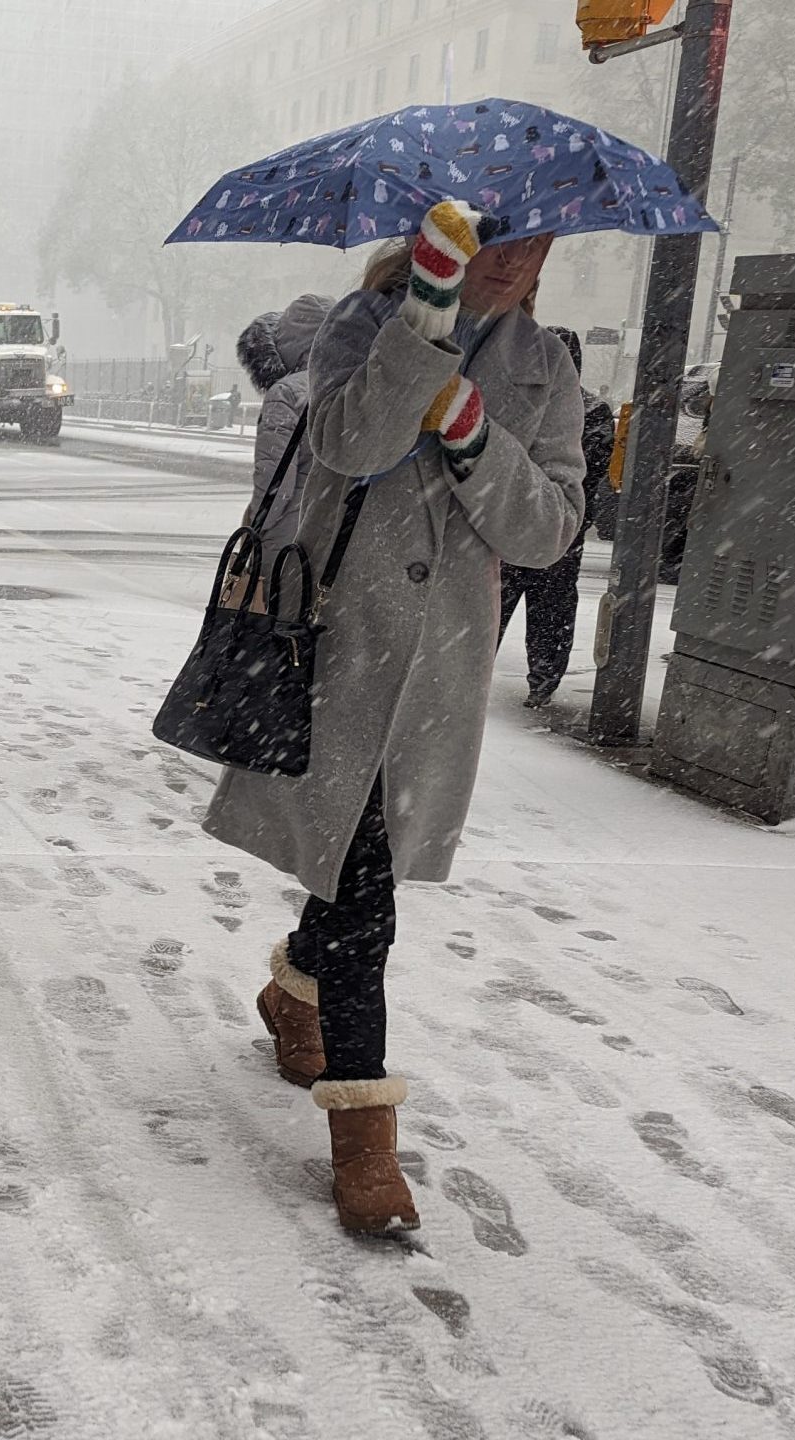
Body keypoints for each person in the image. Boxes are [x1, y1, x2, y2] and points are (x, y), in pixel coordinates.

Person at [201, 201, 585, 1236]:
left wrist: (468, 427)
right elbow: (348, 443)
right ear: (440, 247)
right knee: (365, 892)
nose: (513, 264)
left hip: (440, 673)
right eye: (492, 240)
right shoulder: (358, 332)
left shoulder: (548, 366)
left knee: (355, 874)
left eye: (536, 245)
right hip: (337, 657)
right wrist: (420, 333)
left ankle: (295, 992)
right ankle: (364, 1143)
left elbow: (545, 530)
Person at [497, 326, 618, 705]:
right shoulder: (589, 408)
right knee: (550, 607)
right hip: (560, 526)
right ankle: (543, 680)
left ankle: (523, 675)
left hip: (531, 523)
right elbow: (589, 466)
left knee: (501, 602)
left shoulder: (539, 403)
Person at [235, 292, 334, 557]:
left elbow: (275, 486)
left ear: (289, 342)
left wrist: (254, 529)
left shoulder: (287, 393)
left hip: (289, 541)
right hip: (337, 539)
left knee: (273, 599)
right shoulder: (355, 386)